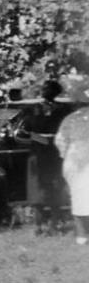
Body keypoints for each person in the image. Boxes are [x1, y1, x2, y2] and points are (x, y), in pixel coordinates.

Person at [19, 80, 73, 234]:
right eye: (43, 88)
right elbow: (21, 132)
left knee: (55, 188)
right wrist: (38, 138)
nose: (44, 91)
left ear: (56, 92)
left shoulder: (64, 110)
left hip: (56, 155)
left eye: (48, 88)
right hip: (37, 155)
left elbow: (68, 132)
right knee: (36, 191)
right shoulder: (32, 110)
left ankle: (55, 223)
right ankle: (38, 225)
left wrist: (55, 139)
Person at [55, 83, 89, 246]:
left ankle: (82, 235)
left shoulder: (70, 119)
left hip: (74, 158)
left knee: (78, 195)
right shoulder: (73, 119)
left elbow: (60, 141)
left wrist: (65, 155)